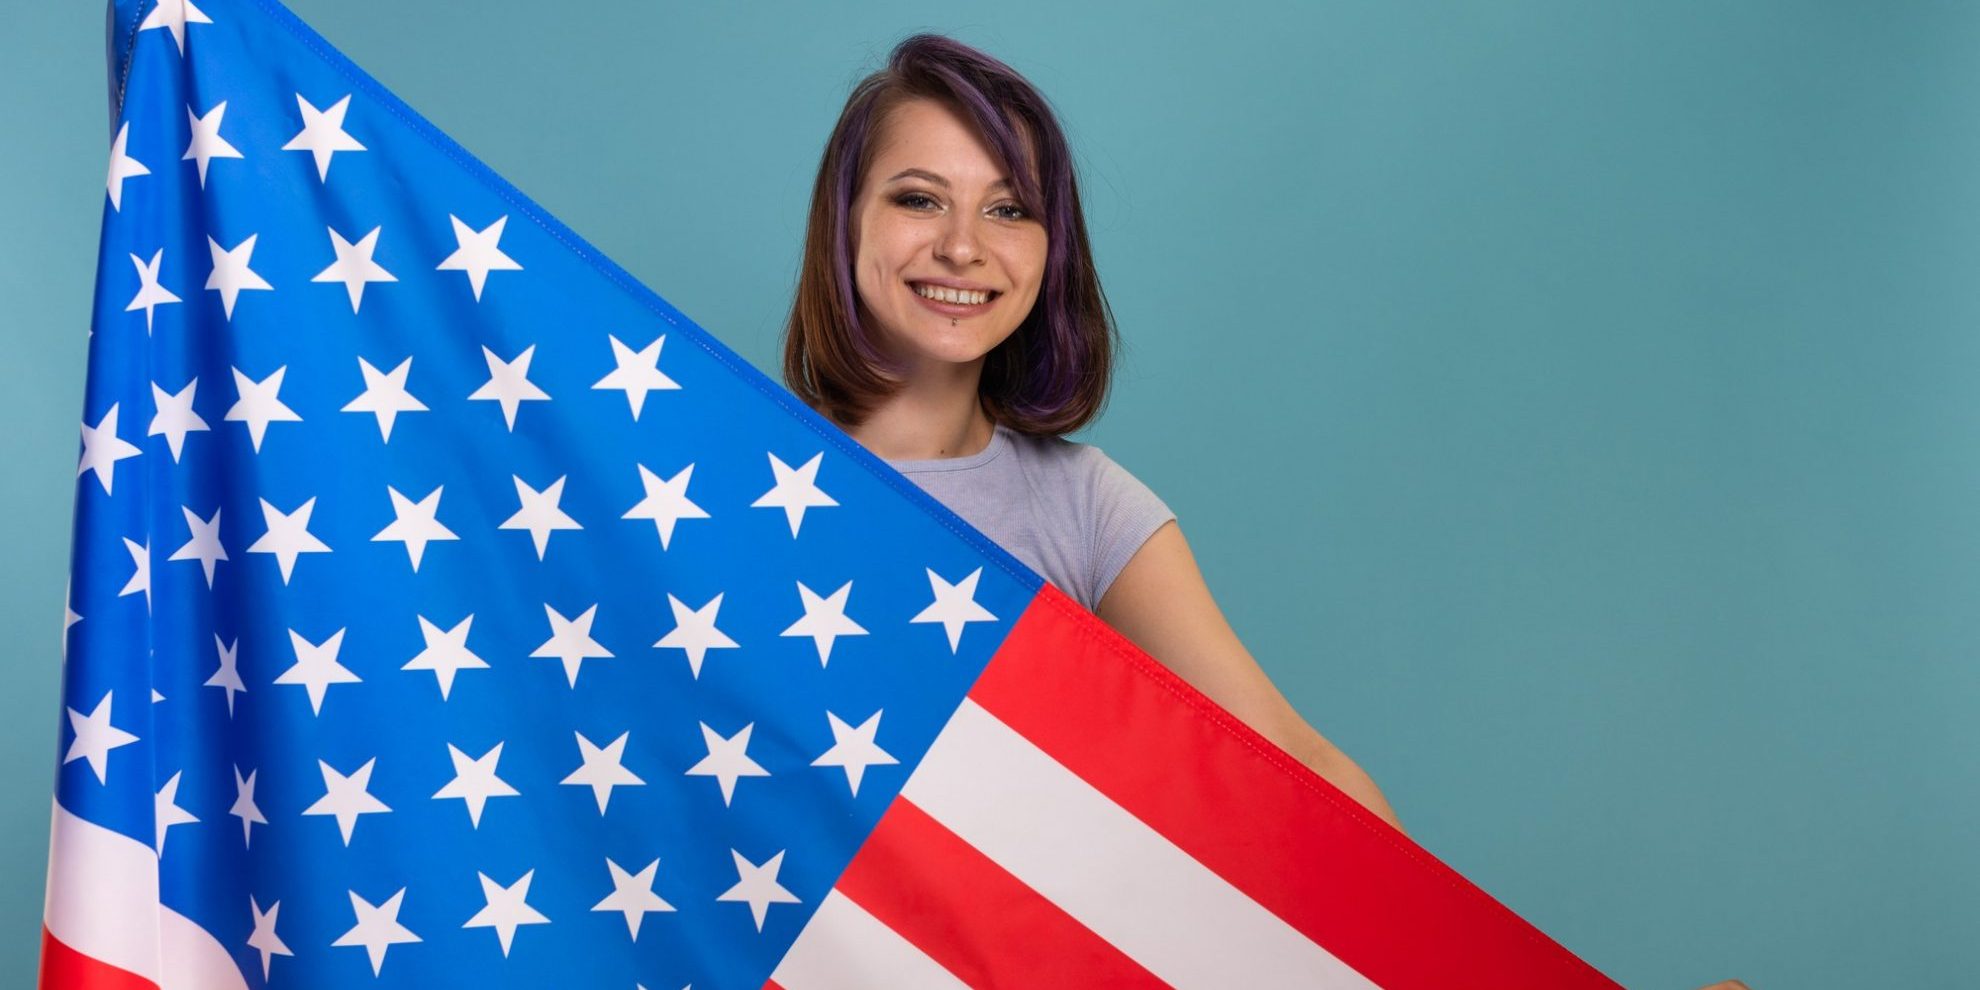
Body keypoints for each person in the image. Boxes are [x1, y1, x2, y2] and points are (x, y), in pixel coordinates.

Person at [778, 37, 1752, 990]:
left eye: (1008, 208)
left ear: (1050, 249)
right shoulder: (744, 482)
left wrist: (1484, 966)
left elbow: (1286, 756)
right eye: (918, 198)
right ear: (846, 220)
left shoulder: (1082, 504)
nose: (962, 245)